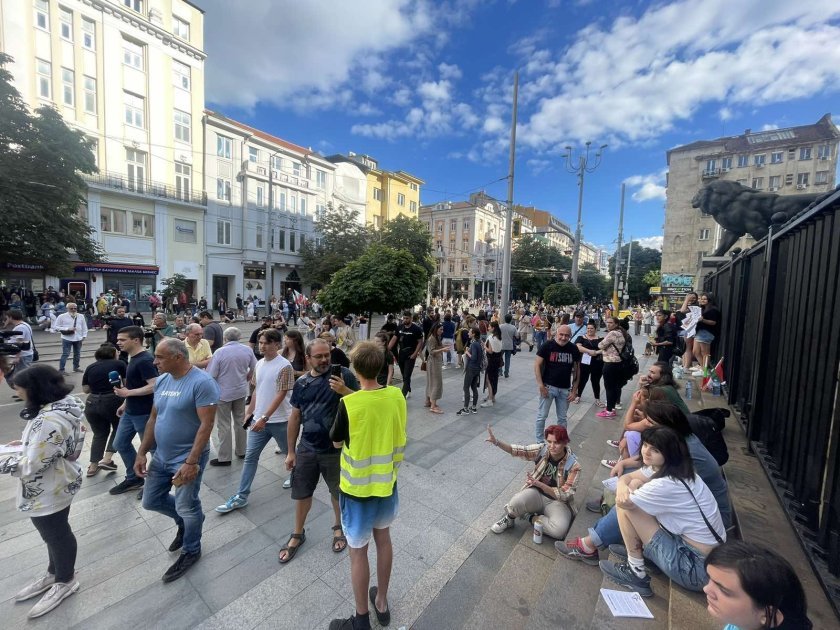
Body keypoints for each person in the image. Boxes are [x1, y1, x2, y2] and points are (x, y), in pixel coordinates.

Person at [328, 341, 407, 630]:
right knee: (383, 540)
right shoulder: (397, 396)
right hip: (387, 484)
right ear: (383, 366)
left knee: (358, 551)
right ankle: (382, 603)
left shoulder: (348, 403)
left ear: (355, 370)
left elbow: (336, 441)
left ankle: (361, 619)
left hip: (357, 490)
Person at [598, 426, 725, 597]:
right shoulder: (677, 469)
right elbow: (629, 478)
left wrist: (628, 485)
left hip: (694, 568)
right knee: (638, 495)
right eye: (646, 445)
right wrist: (625, 483)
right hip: (706, 558)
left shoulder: (666, 483)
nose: (646, 452)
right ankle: (645, 556)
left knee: (626, 507)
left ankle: (636, 572)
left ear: (669, 453)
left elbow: (624, 502)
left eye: (655, 450)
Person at [134, 338, 220, 583]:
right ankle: (188, 520)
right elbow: (153, 418)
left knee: (187, 506)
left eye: (160, 357)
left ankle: (192, 549)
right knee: (151, 501)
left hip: (187, 458)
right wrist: (142, 452)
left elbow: (207, 425)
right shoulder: (162, 381)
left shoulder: (203, 383)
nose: (154, 361)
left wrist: (192, 462)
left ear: (177, 358)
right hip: (161, 457)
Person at [2, 365, 84, 618]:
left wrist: (4, 461)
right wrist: (26, 444)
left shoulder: (47, 421)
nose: (17, 392)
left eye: (19, 388)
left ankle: (65, 580)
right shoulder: (64, 407)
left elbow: (33, 465)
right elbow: (68, 446)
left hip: (48, 486)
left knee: (56, 533)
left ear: (35, 389)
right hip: (60, 480)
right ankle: (54, 573)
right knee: (54, 532)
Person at [278, 339, 359, 563]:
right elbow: (295, 416)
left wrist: (344, 390)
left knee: (337, 492)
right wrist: (291, 451)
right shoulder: (302, 383)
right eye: (319, 356)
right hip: (307, 447)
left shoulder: (343, 375)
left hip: (336, 448)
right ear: (308, 358)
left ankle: (338, 527)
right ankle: (297, 533)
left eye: (327, 355)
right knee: (302, 493)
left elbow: (363, 403)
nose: (324, 360)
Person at [215, 328, 296, 514]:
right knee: (250, 458)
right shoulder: (259, 364)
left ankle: (296, 477)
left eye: (266, 343)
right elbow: (257, 391)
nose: (262, 346)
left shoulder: (284, 366)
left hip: (281, 421)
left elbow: (281, 394)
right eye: (260, 342)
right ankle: (241, 496)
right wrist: (249, 413)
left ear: (277, 344)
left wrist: (265, 418)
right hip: (259, 421)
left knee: (289, 453)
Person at [486, 424, 580, 541]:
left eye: (556, 443)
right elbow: (519, 450)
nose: (552, 446)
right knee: (515, 503)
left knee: (559, 531)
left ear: (565, 442)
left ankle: (530, 517)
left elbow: (566, 494)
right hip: (536, 494)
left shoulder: (573, 465)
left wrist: (540, 484)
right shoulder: (542, 450)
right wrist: (496, 442)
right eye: (549, 441)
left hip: (557, 502)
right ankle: (509, 519)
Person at [704, 541, 812, 630]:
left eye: (724, 591)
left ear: (769, 615)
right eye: (710, 578)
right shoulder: (743, 624)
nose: (706, 589)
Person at [109, 326, 158, 495]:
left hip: (145, 413)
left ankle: (154, 483)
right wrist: (126, 402)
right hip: (131, 411)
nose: (118, 342)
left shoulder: (144, 360)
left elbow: (154, 385)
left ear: (136, 340)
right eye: (118, 339)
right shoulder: (132, 357)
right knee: (119, 443)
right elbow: (135, 383)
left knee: (152, 449)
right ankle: (134, 478)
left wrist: (128, 393)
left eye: (122, 339)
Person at [206, 327, 256, 466]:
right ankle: (242, 451)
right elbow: (254, 368)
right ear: (239, 337)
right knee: (241, 421)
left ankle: (224, 457)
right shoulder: (247, 350)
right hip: (240, 391)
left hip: (223, 393)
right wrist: (247, 376)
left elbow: (212, 374)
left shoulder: (220, 352)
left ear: (225, 338)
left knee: (223, 425)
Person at [81, 344, 126, 477]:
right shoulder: (120, 364)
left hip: (91, 402)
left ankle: (93, 466)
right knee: (118, 428)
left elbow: (85, 389)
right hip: (112, 400)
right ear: (113, 353)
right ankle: (107, 459)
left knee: (99, 433)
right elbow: (126, 383)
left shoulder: (90, 367)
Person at [533, 324, 581, 440]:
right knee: (542, 416)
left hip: (565, 389)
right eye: (561, 334)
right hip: (548, 388)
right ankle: (539, 440)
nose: (564, 338)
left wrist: (574, 391)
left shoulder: (573, 348)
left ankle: (560, 440)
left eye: (567, 336)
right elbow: (537, 365)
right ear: (556, 333)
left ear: (570, 336)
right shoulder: (547, 345)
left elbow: (577, 370)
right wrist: (540, 385)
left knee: (562, 418)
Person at [388, 310, 423, 398]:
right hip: (401, 354)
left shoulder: (416, 329)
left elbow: (420, 342)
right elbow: (394, 339)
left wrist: (415, 354)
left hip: (411, 355)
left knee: (407, 374)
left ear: (411, 318)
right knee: (404, 374)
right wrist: (387, 349)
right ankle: (408, 389)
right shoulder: (399, 327)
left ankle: (403, 394)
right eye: (404, 318)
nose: (405, 320)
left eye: (407, 318)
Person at [597, 316, 626, 419]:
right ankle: (612, 408)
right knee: (614, 387)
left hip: (610, 363)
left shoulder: (612, 333)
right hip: (618, 363)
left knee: (609, 388)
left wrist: (601, 342)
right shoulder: (621, 333)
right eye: (607, 322)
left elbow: (600, 345)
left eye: (611, 323)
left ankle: (609, 411)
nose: (608, 324)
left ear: (616, 324)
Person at [54, 302, 88, 374]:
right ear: (67, 309)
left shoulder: (81, 316)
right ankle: (61, 369)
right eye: (71, 308)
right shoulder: (62, 316)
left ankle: (76, 367)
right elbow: (56, 327)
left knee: (77, 353)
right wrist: (67, 329)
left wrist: (84, 336)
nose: (73, 309)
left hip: (78, 338)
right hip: (67, 338)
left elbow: (84, 326)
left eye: (75, 308)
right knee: (65, 354)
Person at [575, 322, 604, 407]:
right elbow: (578, 347)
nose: (589, 330)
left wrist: (596, 352)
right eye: (588, 328)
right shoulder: (581, 338)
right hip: (584, 363)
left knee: (595, 381)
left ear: (595, 329)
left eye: (591, 328)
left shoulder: (600, 339)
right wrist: (589, 351)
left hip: (597, 363)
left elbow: (605, 348)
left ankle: (597, 399)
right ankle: (578, 396)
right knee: (582, 380)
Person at [457, 327, 483, 416]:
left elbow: (474, 357)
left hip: (471, 368)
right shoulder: (479, 342)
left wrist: (467, 352)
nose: (468, 333)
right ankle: (474, 407)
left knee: (466, 387)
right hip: (477, 369)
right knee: (474, 387)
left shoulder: (475, 344)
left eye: (470, 332)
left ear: (474, 334)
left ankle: (465, 409)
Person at [694, 293, 721, 376]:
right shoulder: (703, 309)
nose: (702, 300)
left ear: (710, 300)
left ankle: (705, 372)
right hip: (700, 332)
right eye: (701, 299)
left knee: (705, 353)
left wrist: (702, 320)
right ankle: (703, 369)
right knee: (695, 351)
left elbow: (713, 322)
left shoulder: (713, 310)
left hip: (706, 332)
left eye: (704, 299)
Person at [424, 322, 445, 414]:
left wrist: (443, 347)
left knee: (431, 382)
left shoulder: (435, 337)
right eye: (441, 329)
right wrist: (442, 349)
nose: (442, 331)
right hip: (434, 363)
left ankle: (428, 401)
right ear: (436, 329)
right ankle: (433, 406)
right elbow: (432, 351)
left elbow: (435, 348)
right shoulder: (432, 338)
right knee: (436, 382)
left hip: (434, 362)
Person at [482, 321, 503, 408]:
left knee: (489, 379)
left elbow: (490, 351)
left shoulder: (491, 338)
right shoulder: (499, 337)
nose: (488, 328)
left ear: (493, 328)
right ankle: (492, 396)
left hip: (491, 360)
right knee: (494, 379)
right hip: (497, 360)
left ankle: (490, 399)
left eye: (489, 327)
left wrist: (484, 346)